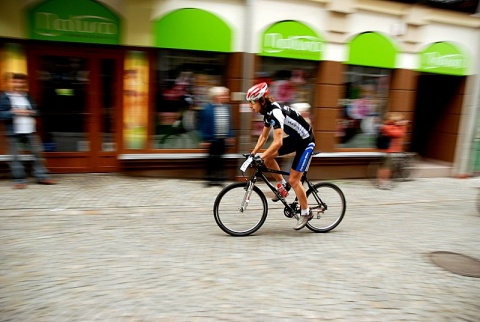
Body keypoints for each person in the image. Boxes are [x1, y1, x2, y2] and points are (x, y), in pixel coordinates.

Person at [246, 82, 315, 230]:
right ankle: (282, 186)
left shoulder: (275, 112)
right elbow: (263, 138)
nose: (250, 106)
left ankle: (306, 212)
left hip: (306, 141)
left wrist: (261, 156)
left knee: (294, 180)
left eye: (252, 102)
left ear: (262, 100)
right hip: (295, 139)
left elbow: (277, 143)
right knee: (267, 158)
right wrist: (253, 153)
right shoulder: (267, 113)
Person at [0, 73, 56, 189]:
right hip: (13, 132)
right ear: (11, 82)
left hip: (30, 130)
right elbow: (1, 114)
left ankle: (42, 177)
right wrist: (13, 112)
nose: (19, 84)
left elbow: (38, 111)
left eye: (21, 82)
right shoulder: (5, 96)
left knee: (37, 153)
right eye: (16, 82)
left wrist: (31, 112)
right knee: (15, 156)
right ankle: (19, 180)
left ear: (24, 84)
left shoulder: (27, 96)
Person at [198, 86, 235, 186]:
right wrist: (205, 138)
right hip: (211, 139)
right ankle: (210, 179)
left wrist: (230, 135)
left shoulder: (227, 107)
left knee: (220, 159)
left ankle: (220, 179)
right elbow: (203, 124)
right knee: (211, 159)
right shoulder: (207, 109)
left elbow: (230, 122)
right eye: (223, 95)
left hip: (222, 139)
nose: (225, 97)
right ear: (216, 96)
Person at [376, 112, 408, 189]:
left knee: (387, 168)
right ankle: (382, 183)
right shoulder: (387, 127)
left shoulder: (392, 126)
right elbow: (399, 134)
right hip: (388, 151)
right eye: (399, 119)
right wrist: (403, 126)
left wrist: (399, 125)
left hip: (392, 151)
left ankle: (382, 182)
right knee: (386, 168)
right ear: (393, 120)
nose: (401, 121)